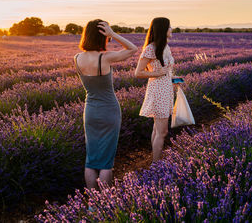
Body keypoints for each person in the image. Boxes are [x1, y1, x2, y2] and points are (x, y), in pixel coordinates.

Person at [73, 19, 137, 189]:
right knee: (106, 161)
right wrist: (113, 34)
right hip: (109, 111)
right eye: (106, 36)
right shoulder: (105, 57)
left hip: (90, 112)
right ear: (102, 35)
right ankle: (106, 202)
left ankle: (93, 205)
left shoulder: (77, 58)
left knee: (91, 159)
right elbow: (133, 49)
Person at [135, 17, 180, 163]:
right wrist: (157, 73)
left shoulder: (165, 47)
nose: (171, 29)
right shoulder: (150, 48)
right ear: (162, 29)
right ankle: (156, 165)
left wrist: (174, 79)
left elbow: (167, 70)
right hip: (158, 91)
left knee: (157, 129)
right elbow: (138, 72)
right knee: (162, 131)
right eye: (169, 27)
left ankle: (155, 161)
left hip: (167, 90)